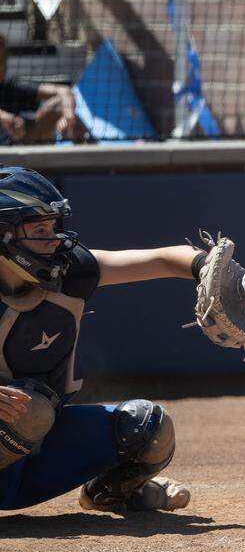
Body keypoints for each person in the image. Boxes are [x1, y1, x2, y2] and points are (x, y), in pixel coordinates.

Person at [0, 166, 217, 512]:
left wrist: (205, 266)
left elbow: (160, 259)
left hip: (35, 446)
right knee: (31, 408)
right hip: (22, 424)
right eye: (40, 230)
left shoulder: (70, 271)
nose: (54, 239)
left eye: (53, 227)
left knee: (147, 427)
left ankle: (108, 493)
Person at [0, 35, 83, 144]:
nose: (3, 67)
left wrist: (68, 117)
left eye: (2, 61)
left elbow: (64, 90)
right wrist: (3, 117)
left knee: (60, 106)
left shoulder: (10, 85)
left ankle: (84, 150)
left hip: (19, 144)